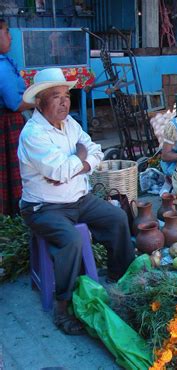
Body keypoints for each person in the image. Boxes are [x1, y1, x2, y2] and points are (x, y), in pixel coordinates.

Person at [18, 68, 135, 335]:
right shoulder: (33, 133)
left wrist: (77, 163)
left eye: (66, 95)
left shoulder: (70, 124)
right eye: (56, 96)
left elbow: (94, 151)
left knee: (117, 217)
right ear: (39, 102)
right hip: (43, 207)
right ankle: (63, 305)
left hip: (78, 198)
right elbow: (59, 171)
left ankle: (121, 276)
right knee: (71, 240)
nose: (64, 102)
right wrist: (76, 163)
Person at [0, 19, 35, 215]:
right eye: (6, 31)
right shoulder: (2, 67)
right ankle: (13, 212)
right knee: (13, 171)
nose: (10, 36)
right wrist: (41, 101)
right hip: (8, 124)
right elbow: (15, 103)